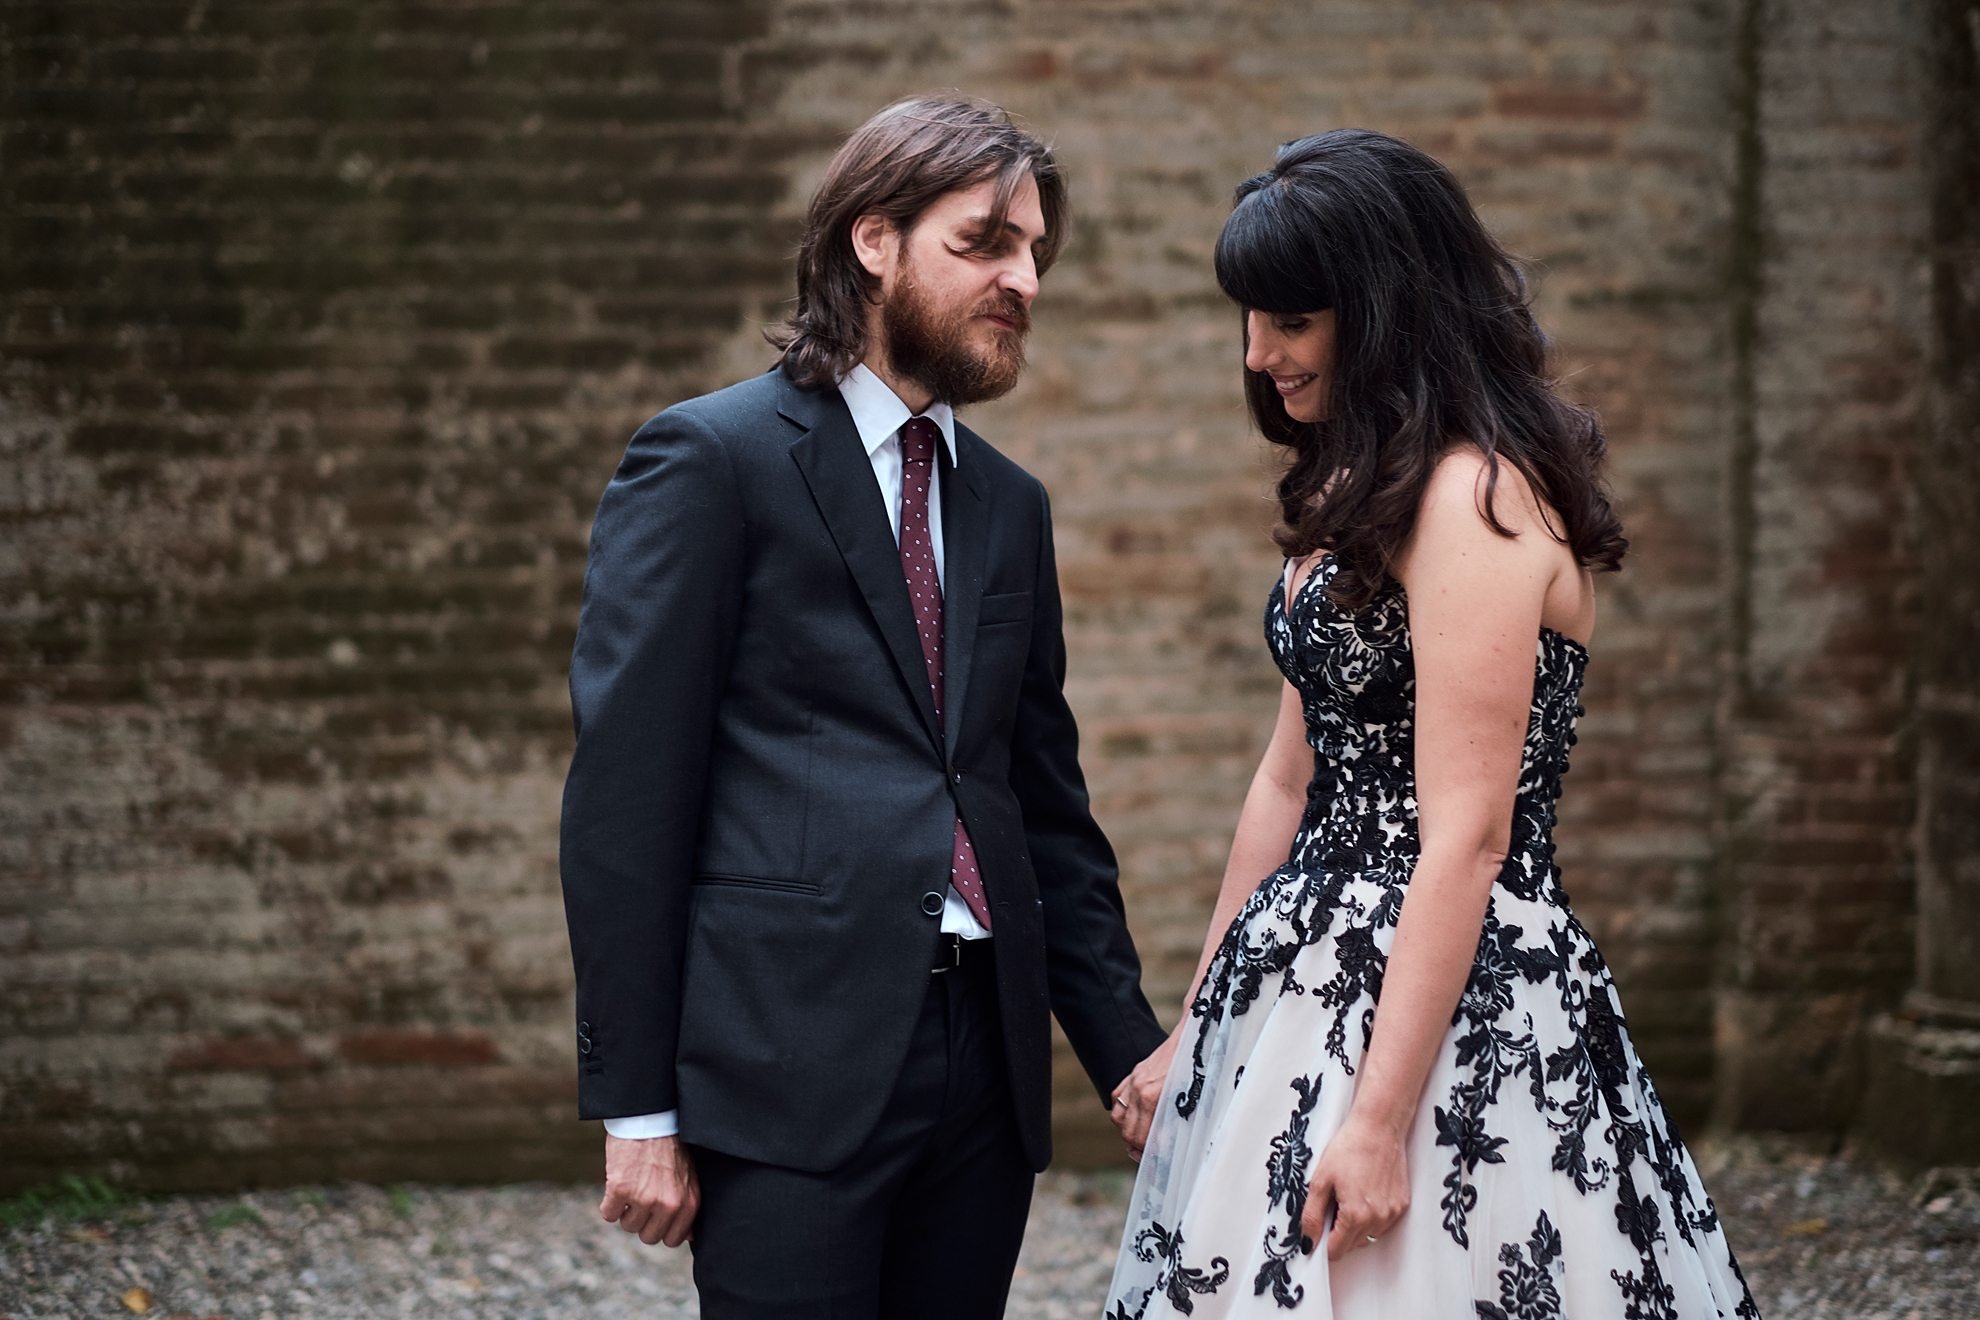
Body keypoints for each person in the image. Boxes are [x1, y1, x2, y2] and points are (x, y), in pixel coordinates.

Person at [1102, 131, 1761, 1319]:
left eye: (1290, 320)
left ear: (1384, 309)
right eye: (1249, 320)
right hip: (1297, 976)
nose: (1259, 354)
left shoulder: (1478, 495)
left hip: (1452, 1008)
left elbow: (1466, 834)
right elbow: (1284, 785)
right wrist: (1195, 1032)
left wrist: (1377, 1120)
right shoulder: (1354, 489)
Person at [557, 95, 1166, 1319]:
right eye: (985, 241)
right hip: (786, 1061)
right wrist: (639, 1107)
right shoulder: (710, 460)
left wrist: (1127, 1052)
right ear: (871, 241)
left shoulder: (1010, 503)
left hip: (984, 1076)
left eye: (1035, 251)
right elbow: (627, 801)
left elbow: (1038, 800)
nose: (1024, 278)